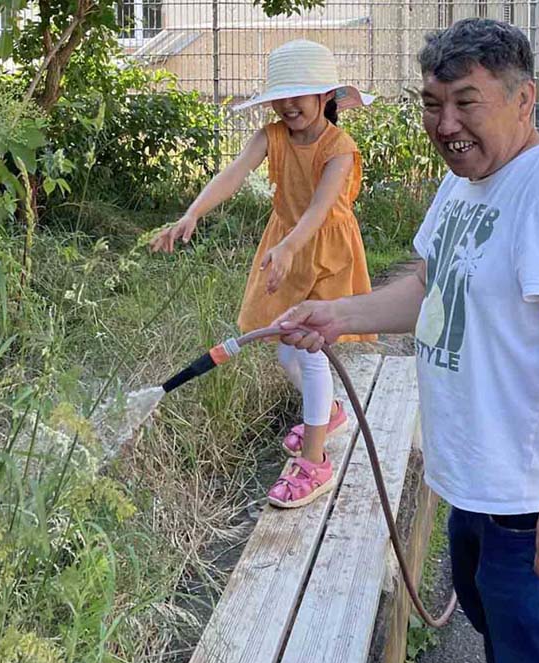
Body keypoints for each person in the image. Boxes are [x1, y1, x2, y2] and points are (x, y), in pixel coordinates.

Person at [277, 18, 539, 663]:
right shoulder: (465, 182)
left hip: (537, 498)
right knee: (511, 649)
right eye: (432, 103)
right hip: (483, 485)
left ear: (523, 99)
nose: (446, 125)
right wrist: (340, 315)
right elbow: (430, 284)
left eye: (467, 102)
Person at [150, 39, 376, 509]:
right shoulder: (270, 136)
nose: (289, 105)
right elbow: (233, 174)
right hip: (284, 248)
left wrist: (291, 245)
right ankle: (328, 412)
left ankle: (314, 462)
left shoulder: (340, 148)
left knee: (310, 352)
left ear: (326, 96)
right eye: (281, 96)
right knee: (286, 352)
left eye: (300, 94)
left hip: (325, 251)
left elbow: (320, 208)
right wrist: (192, 213)